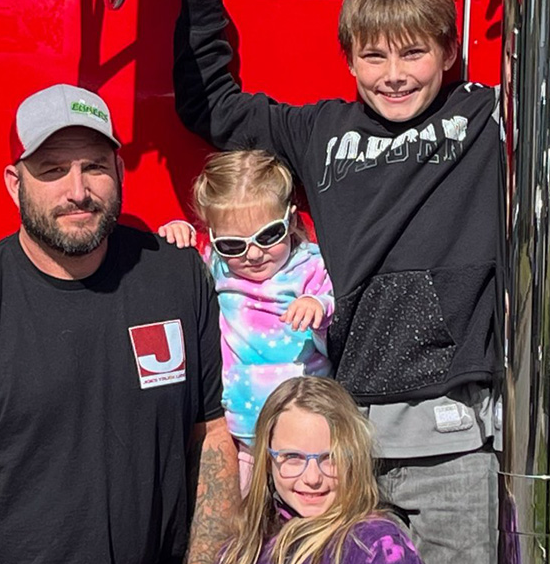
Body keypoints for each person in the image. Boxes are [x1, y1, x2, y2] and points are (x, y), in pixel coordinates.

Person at [174, 0, 503, 562]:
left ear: (450, 51)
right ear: (348, 60)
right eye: (373, 56)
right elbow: (212, 106)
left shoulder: (485, 115)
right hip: (337, 448)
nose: (393, 75)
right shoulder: (320, 131)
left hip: (448, 441)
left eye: (414, 53)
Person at [0, 83, 240, 564]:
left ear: (118, 170)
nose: (77, 192)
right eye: (53, 170)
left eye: (94, 167)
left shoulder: (177, 279)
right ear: (14, 183)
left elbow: (210, 437)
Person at [158, 150, 334, 496]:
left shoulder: (309, 266)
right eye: (232, 244)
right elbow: (186, 275)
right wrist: (177, 234)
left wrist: (318, 305)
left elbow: (336, 307)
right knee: (243, 516)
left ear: (290, 221)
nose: (252, 254)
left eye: (268, 236)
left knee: (311, 511)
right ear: (213, 237)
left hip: (308, 432)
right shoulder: (218, 266)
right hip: (244, 432)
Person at [219, 376, 423, 564]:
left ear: (355, 459)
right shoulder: (243, 549)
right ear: (267, 460)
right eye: (293, 457)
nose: (313, 478)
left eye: (330, 458)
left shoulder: (376, 545)